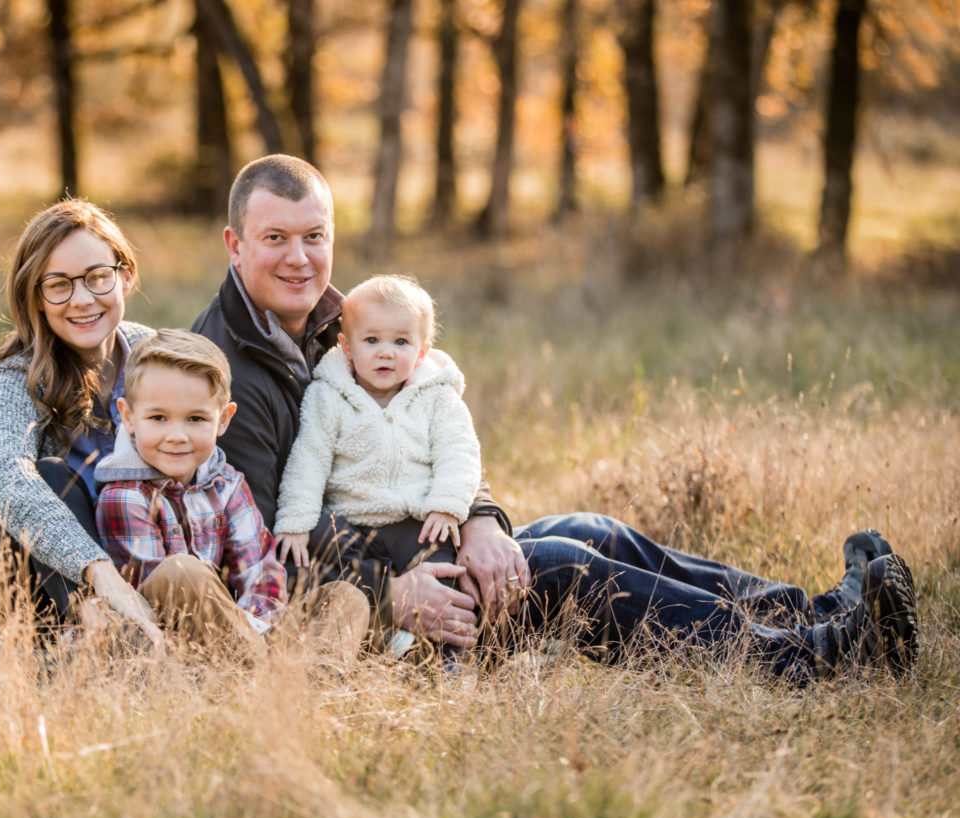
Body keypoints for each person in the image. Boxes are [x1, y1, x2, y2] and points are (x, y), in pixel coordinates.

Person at [192, 154, 919, 682]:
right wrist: (392, 596)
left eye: (313, 235)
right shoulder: (226, 364)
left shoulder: (340, 323)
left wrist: (480, 517)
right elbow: (260, 535)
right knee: (565, 571)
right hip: (361, 603)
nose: (299, 258)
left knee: (589, 529)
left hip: (419, 541)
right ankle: (813, 658)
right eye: (275, 239)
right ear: (235, 245)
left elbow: (430, 422)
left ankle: (809, 609)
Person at [0, 199, 165, 649]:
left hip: (131, 583)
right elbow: (11, 485)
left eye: (97, 277)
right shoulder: (13, 377)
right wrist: (96, 571)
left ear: (125, 275)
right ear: (36, 299)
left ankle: (109, 643)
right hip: (8, 593)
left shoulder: (157, 356)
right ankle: (101, 636)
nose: (82, 299)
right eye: (59, 285)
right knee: (50, 476)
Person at [94, 329, 369, 663]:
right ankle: (267, 680)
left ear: (223, 420)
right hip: (173, 648)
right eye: (158, 418)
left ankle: (305, 680)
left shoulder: (226, 482)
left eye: (196, 419)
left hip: (238, 635)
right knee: (181, 572)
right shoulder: (124, 496)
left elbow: (259, 572)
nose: (177, 435)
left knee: (346, 597)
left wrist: (258, 626)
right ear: (128, 417)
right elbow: (153, 604)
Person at [271, 275, 481, 658]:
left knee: (445, 577)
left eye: (401, 342)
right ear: (346, 348)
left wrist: (447, 504)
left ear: (421, 353)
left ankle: (448, 663)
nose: (386, 353)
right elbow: (309, 459)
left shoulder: (437, 398)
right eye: (372, 341)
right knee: (321, 536)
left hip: (416, 521)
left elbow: (460, 451)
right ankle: (386, 631)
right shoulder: (328, 396)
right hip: (351, 521)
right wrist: (295, 522)